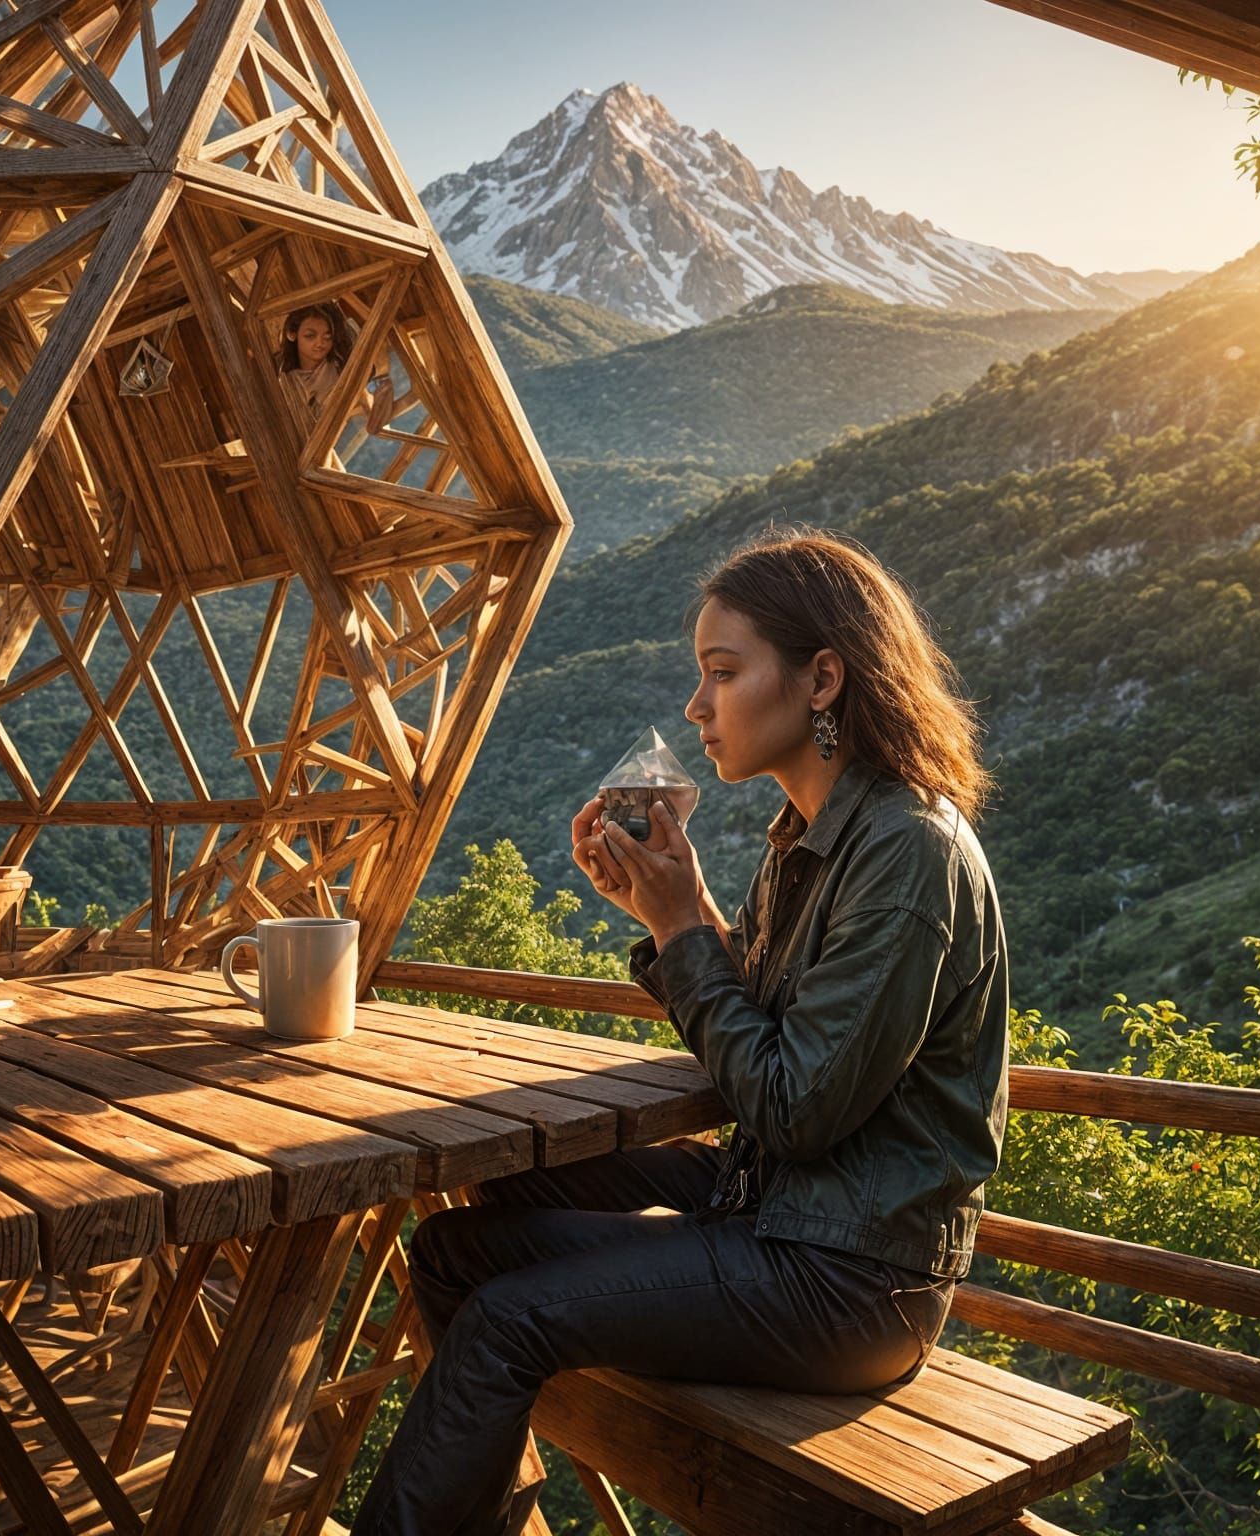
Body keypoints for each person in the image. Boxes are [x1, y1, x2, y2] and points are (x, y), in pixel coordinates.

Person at [350, 527, 1010, 1536]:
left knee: (506, 1315)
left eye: (723, 673)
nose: (698, 707)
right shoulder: (811, 838)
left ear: (822, 678)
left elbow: (793, 1106)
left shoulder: (907, 854)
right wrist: (679, 909)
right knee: (452, 1247)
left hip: (853, 1276)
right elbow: (766, 1033)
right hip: (773, 1208)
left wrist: (680, 931)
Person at [275, 301, 394, 435]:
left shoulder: (342, 370)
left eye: (327, 337)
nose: (320, 343)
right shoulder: (282, 376)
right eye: (310, 336)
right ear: (292, 334)